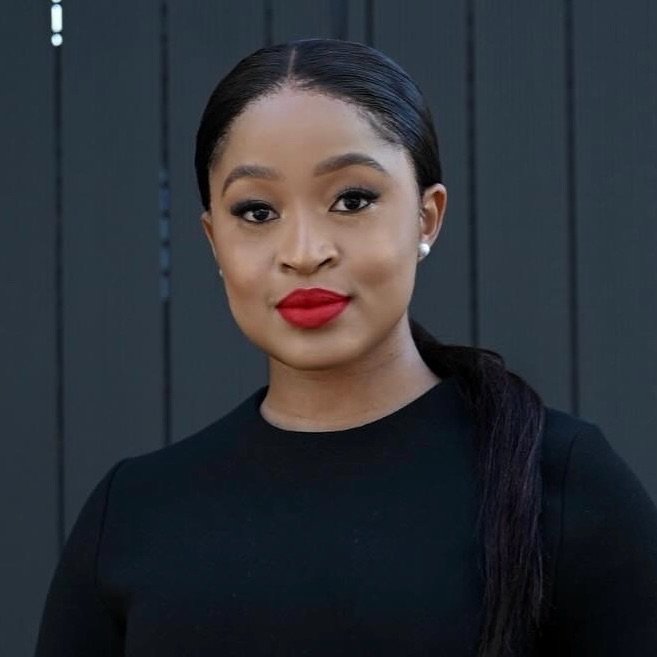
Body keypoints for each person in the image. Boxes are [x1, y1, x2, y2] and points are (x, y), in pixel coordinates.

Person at [34, 38, 657, 657]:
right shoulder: (134, 515)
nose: (304, 253)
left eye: (352, 200)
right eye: (256, 212)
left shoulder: (561, 481)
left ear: (427, 217)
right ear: (213, 239)